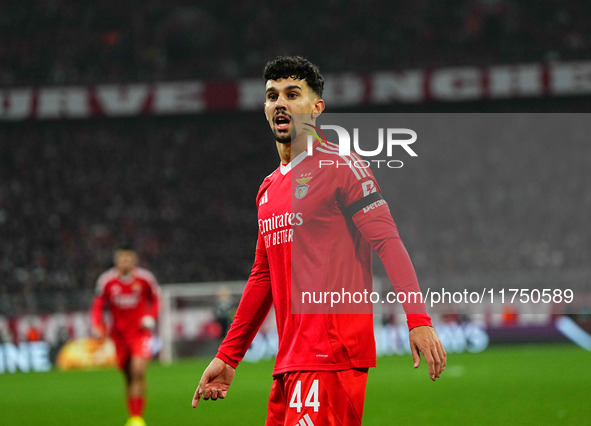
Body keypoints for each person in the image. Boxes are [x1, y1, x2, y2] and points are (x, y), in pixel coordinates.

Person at [191, 56, 446, 425]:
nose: (280, 102)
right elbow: (263, 276)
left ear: (316, 107)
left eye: (292, 94)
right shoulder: (268, 188)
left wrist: (418, 319)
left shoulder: (343, 167)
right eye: (272, 95)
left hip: (331, 358)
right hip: (290, 362)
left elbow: (387, 242)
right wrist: (229, 356)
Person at [91, 246, 161, 426]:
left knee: (138, 370)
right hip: (119, 336)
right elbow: (98, 305)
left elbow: (156, 298)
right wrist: (98, 325)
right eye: (122, 259)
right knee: (128, 376)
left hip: (140, 333)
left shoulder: (145, 279)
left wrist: (151, 317)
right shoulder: (107, 281)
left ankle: (137, 418)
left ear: (134, 260)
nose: (125, 262)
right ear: (117, 261)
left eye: (129, 259)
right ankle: (133, 415)